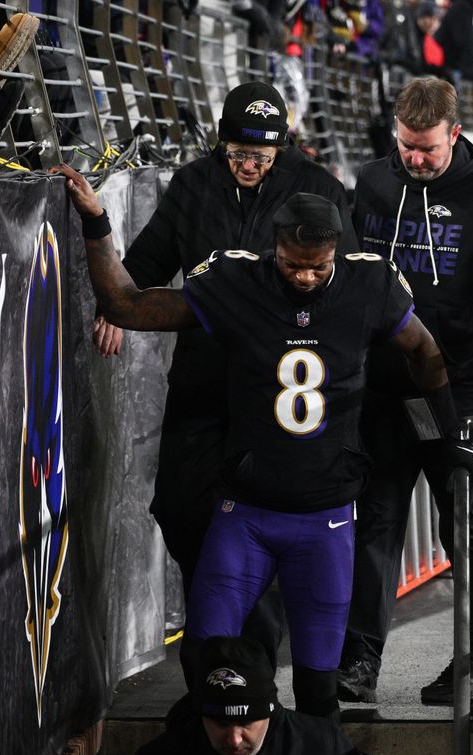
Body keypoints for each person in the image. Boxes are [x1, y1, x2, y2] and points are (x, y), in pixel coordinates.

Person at [56, 176, 473, 719]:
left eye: (318, 267)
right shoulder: (237, 281)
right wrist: (96, 223)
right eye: (292, 265)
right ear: (272, 248)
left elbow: (423, 350)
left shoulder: (367, 283)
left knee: (319, 691)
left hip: (326, 518)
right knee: (208, 662)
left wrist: (447, 432)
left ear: (336, 252)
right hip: (246, 514)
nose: (305, 276)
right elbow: (126, 306)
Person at [93, 81, 357, 667]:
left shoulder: (318, 189)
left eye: (261, 157)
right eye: (237, 154)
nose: (248, 166)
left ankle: (246, 671)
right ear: (221, 145)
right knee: (178, 508)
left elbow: (347, 281)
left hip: (273, 393)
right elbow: (148, 260)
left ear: (282, 148)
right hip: (203, 379)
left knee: (259, 528)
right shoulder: (194, 184)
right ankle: (219, 656)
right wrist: (116, 307)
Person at [337, 76, 473, 707]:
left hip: (459, 389)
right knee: (376, 519)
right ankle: (360, 659)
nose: (416, 158)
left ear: (455, 134)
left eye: (427, 147)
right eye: (406, 145)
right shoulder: (372, 183)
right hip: (385, 385)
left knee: (464, 520)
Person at [117, 636, 393, 755]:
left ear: (270, 712)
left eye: (246, 723)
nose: (234, 739)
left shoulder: (321, 746)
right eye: (220, 724)